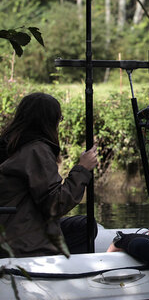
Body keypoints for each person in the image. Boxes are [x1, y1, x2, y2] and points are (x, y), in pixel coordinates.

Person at [0, 93, 98, 257]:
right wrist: (82, 169)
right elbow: (55, 204)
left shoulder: (11, 144)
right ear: (49, 121)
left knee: (84, 225)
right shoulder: (35, 150)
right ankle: (69, 275)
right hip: (22, 241)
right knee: (85, 227)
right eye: (59, 119)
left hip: (13, 229)